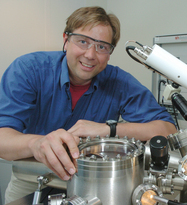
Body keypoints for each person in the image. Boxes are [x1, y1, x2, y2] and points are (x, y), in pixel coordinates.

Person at [0, 6, 177, 203]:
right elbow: (2, 139)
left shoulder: (120, 82)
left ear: (109, 53)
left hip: (95, 182)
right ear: (66, 40)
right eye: (83, 41)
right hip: (33, 176)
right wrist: (36, 144)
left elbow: (167, 130)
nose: (90, 55)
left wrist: (108, 130)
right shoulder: (28, 70)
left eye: (101, 46)